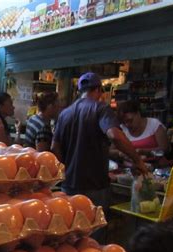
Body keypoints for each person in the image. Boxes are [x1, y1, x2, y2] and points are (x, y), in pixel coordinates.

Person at [51, 72, 147, 212]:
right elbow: (114, 135)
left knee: (71, 229)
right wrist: (137, 160)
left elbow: (55, 147)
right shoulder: (101, 109)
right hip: (95, 187)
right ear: (98, 89)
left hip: (69, 186)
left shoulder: (65, 114)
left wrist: (66, 172)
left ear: (79, 91)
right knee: (94, 230)